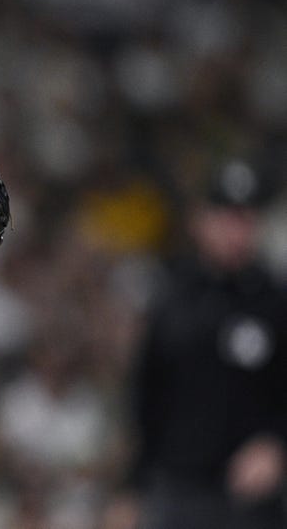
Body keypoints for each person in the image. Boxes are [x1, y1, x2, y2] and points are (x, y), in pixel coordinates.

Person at [108, 159, 287, 529]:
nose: (235, 231)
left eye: (245, 219)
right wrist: (131, 489)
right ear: (200, 220)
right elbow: (148, 398)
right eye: (225, 218)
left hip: (250, 501)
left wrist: (277, 444)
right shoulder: (171, 297)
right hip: (175, 493)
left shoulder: (275, 302)